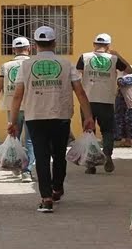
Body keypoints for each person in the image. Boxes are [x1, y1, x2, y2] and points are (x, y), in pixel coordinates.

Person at [9, 26, 95, 213]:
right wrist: (88, 116)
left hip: (35, 117)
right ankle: (57, 188)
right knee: (58, 154)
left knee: (41, 156)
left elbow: (17, 96)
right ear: (55, 43)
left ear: (34, 45)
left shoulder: (25, 66)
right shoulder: (67, 64)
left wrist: (12, 121)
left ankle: (46, 198)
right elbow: (80, 92)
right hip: (61, 116)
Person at [76, 33, 132, 174]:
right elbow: (129, 70)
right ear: (108, 46)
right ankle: (107, 155)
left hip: (87, 100)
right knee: (107, 131)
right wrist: (117, 55)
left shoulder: (84, 57)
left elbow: (78, 75)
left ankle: (91, 163)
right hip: (106, 100)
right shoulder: (113, 59)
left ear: (94, 44)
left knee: (89, 130)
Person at [0, 36, 35, 182]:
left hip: (13, 108)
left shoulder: (6, 67)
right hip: (32, 107)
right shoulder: (33, 64)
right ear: (29, 48)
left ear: (13, 50)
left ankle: (16, 166)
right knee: (30, 140)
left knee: (14, 137)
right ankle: (27, 170)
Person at [114, 65, 132, 148]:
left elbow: (121, 82)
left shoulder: (130, 78)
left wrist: (116, 74)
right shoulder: (130, 79)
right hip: (126, 105)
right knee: (126, 123)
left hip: (131, 105)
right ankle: (128, 141)